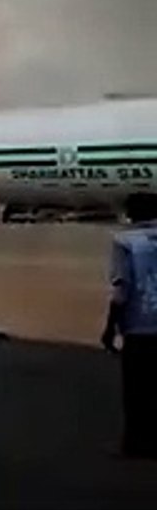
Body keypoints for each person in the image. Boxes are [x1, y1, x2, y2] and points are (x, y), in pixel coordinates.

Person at [102, 193, 157, 459]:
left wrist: (110, 327)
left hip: (139, 326)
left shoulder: (124, 241)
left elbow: (121, 288)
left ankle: (136, 442)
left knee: (137, 389)